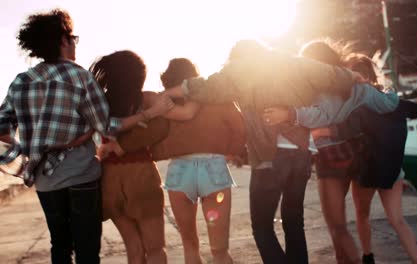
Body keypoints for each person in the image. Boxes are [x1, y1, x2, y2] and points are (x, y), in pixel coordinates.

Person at [161, 40, 363, 263]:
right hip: (301, 154)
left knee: (262, 227)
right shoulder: (292, 63)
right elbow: (328, 73)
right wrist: (351, 76)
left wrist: (167, 94)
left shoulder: (239, 70)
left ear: (237, 58)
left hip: (271, 157)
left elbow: (203, 87)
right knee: (294, 222)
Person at [0, 9, 171, 264]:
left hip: (45, 181)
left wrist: (32, 145)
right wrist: (145, 116)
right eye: (72, 38)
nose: (74, 44)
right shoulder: (80, 76)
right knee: (87, 247)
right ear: (62, 41)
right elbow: (107, 126)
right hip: (82, 175)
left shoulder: (22, 81)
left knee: (59, 244)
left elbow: (1, 128)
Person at [262, 40, 400, 264]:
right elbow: (388, 105)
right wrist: (387, 89)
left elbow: (322, 116)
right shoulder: (356, 85)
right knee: (345, 221)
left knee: (337, 226)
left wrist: (291, 115)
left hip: (331, 156)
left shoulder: (316, 88)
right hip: (359, 154)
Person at [107, 58, 246, 264]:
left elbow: (155, 136)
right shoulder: (219, 100)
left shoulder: (164, 105)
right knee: (219, 250)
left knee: (190, 246)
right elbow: (239, 126)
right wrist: (232, 152)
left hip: (180, 172)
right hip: (213, 169)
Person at [89, 50, 169, 264]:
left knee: (133, 250)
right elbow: (162, 126)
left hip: (109, 180)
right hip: (140, 174)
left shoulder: (100, 104)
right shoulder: (147, 99)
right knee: (155, 249)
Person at [346, 54, 417, 264]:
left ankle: (368, 257)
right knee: (397, 220)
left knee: (362, 215)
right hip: (392, 170)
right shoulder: (393, 101)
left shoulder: (353, 104)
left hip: (367, 170)